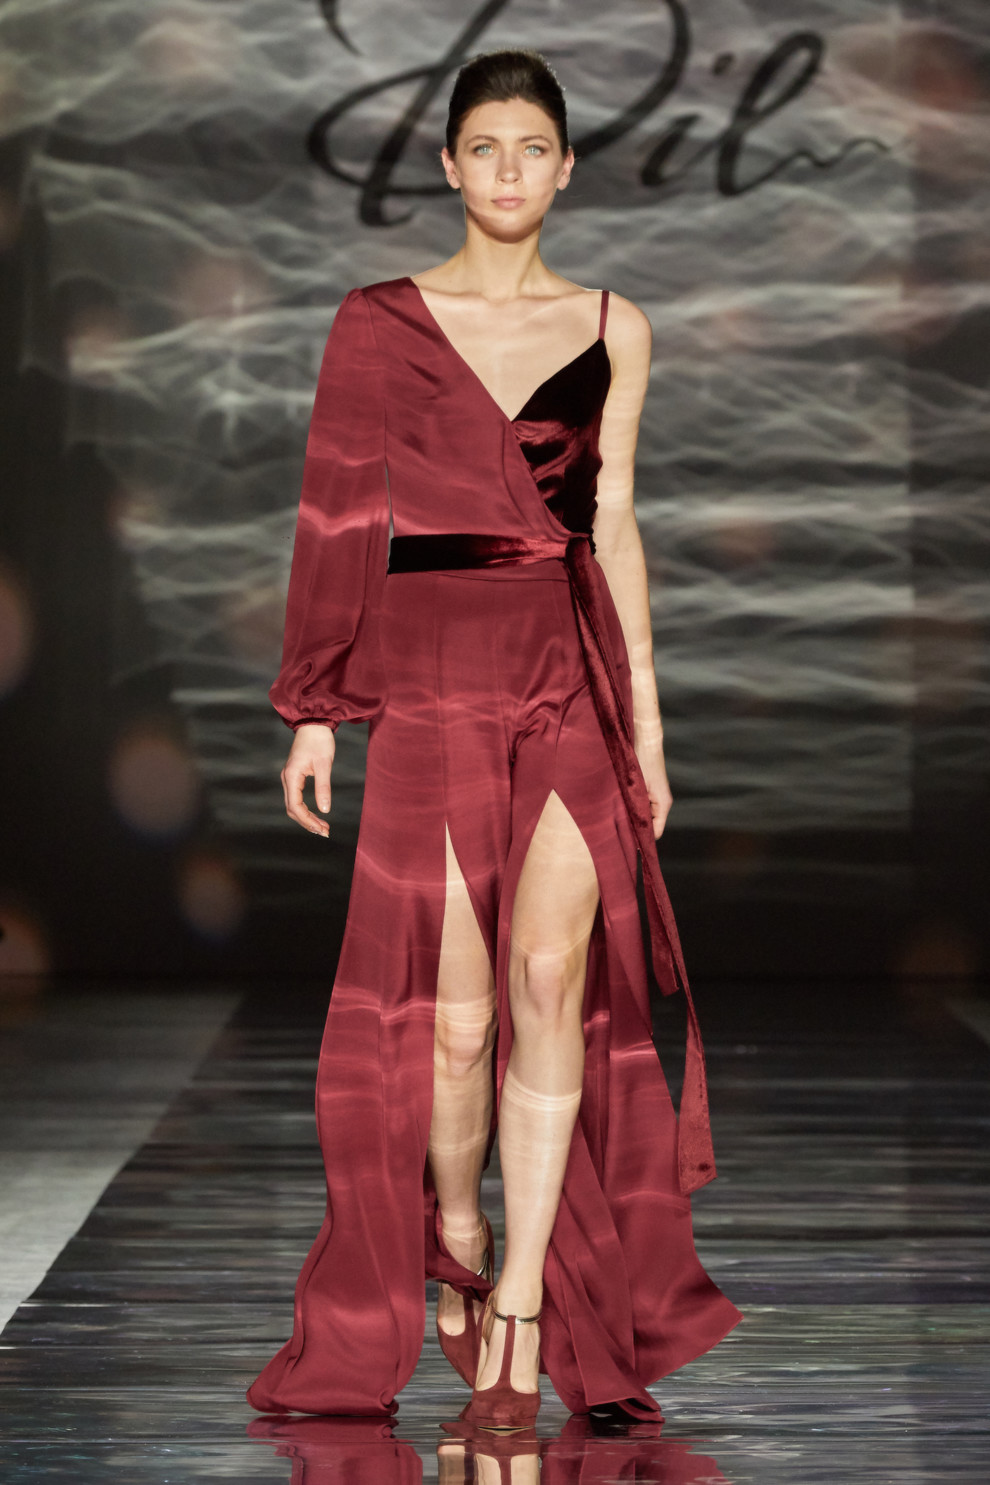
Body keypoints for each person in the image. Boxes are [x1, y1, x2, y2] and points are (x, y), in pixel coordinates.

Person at [246, 47, 741, 1429]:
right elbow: (338, 515)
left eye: (533, 147)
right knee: (456, 1029)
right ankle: (457, 1232)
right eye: (485, 147)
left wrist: (647, 726)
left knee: (546, 980)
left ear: (564, 168)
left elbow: (615, 523)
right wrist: (314, 709)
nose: (509, 169)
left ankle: (519, 1295)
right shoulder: (377, 324)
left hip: (567, 678)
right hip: (432, 687)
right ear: (450, 166)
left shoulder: (613, 324)